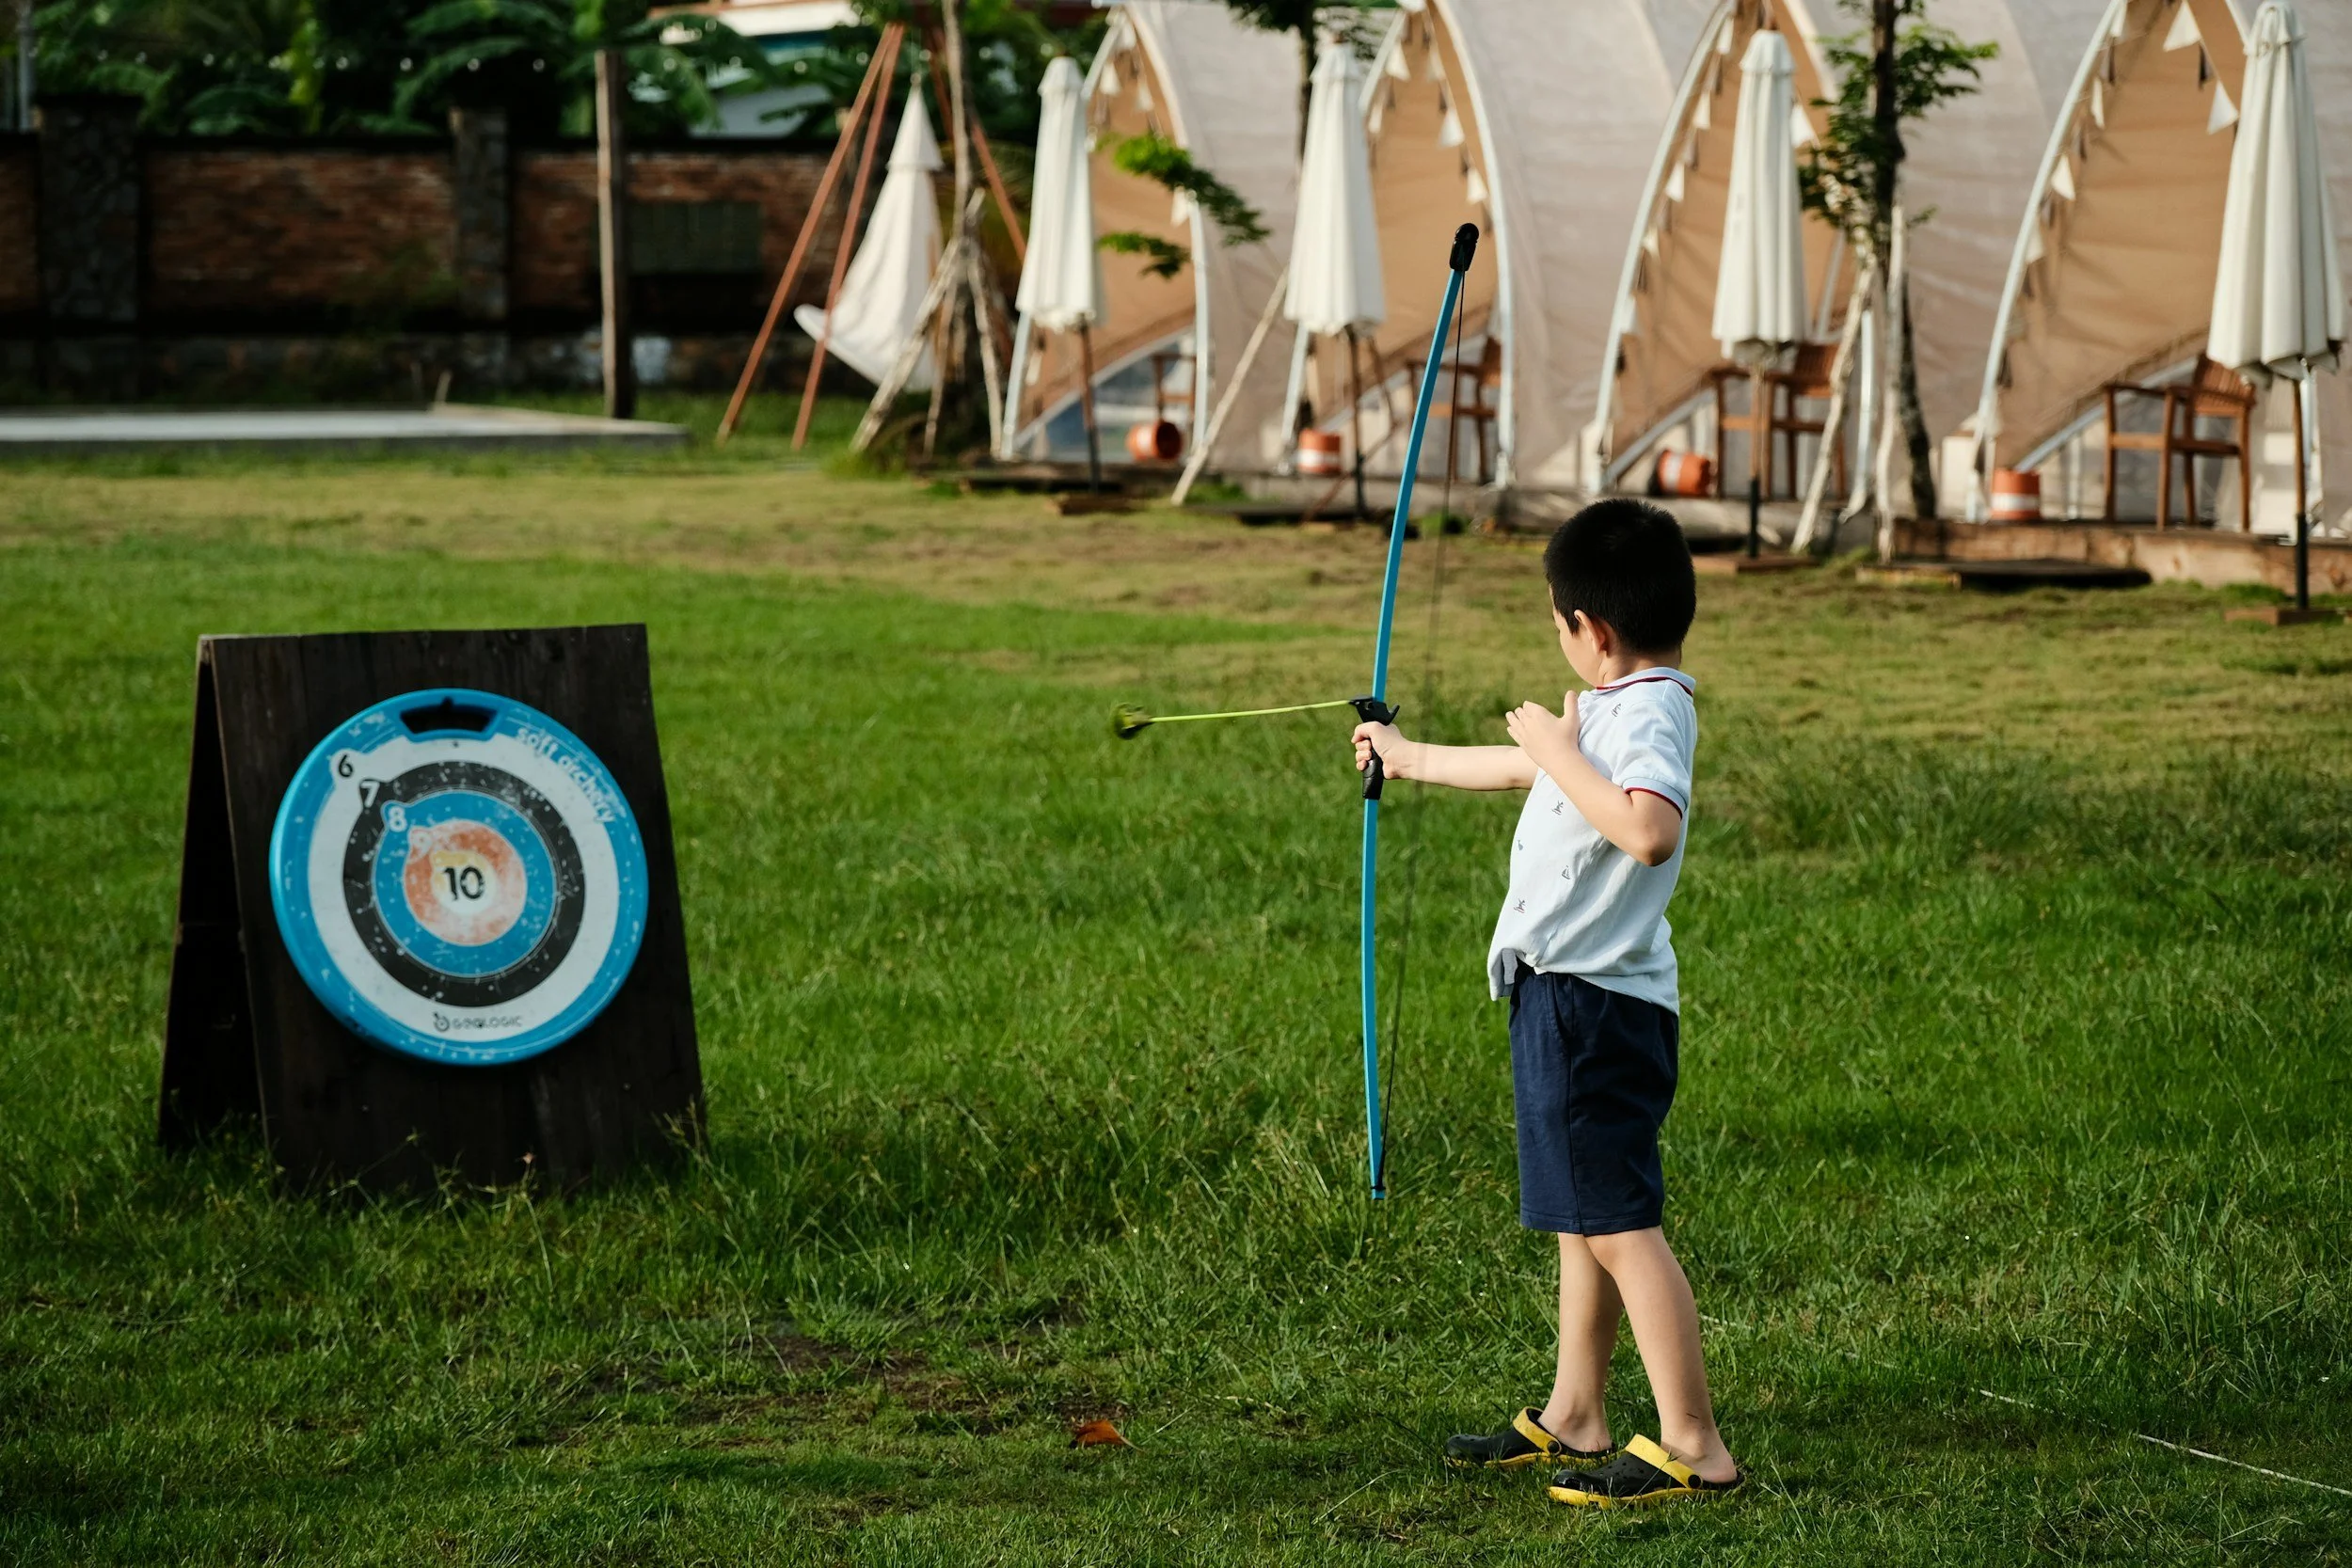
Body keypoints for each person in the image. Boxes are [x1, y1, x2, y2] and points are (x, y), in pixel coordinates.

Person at [1350, 498, 1741, 1509]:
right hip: (1565, 995)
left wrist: (1560, 750)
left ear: (1593, 631)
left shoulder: (1649, 709)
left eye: (1556, 617)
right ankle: (1577, 1411)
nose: (1555, 633)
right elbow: (1526, 769)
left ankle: (1694, 1440)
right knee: (1581, 1220)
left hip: (1595, 1006)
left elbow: (1647, 828)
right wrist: (1406, 757)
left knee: (1618, 1224)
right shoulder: (1610, 706)